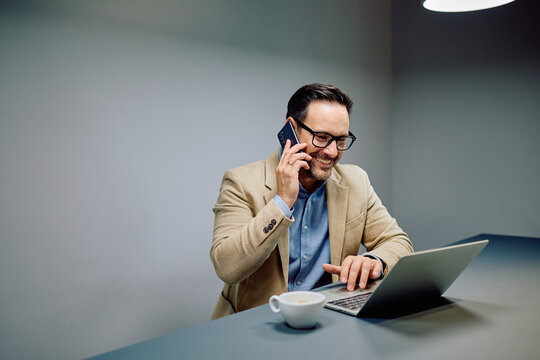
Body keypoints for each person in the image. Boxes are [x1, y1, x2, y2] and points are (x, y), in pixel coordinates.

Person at [210, 83, 413, 319]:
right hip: (258, 324)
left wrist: (373, 260)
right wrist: (283, 202)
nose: (332, 152)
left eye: (340, 140)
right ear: (291, 129)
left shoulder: (356, 181)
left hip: (327, 320)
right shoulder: (241, 182)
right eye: (322, 137)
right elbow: (227, 267)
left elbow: (398, 242)